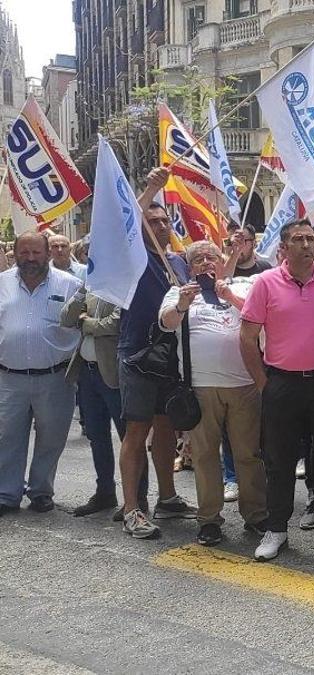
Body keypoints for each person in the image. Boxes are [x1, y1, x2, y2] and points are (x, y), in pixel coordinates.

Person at [240, 219, 314, 561]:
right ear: (284, 246)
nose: (307, 245)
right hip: (282, 383)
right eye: (299, 239)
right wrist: (263, 382)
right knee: (279, 461)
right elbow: (247, 337)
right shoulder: (266, 282)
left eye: (311, 239)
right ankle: (276, 530)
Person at [159, 241, 268, 546]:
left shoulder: (244, 285)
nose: (206, 263)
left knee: (249, 454)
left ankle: (256, 515)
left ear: (222, 263)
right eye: (198, 260)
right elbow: (167, 323)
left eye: (211, 258)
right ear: (189, 266)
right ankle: (209, 519)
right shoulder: (178, 291)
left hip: (244, 384)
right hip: (201, 388)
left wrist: (229, 295)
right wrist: (181, 304)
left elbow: (258, 317)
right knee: (206, 456)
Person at [117, 171, 197, 538]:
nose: (162, 225)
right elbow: (128, 223)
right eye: (154, 220)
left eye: (165, 220)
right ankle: (132, 508)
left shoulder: (178, 262)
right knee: (137, 431)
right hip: (138, 356)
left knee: (166, 428)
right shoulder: (132, 257)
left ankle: (168, 497)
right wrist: (150, 189)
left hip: (170, 359)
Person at [0, 232, 83, 515]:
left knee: (52, 437)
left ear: (48, 254)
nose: (30, 258)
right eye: (24, 252)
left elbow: (82, 327)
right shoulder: (1, 284)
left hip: (55, 377)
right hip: (8, 378)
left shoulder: (71, 285)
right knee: (7, 437)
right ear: (15, 253)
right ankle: (6, 494)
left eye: (36, 252)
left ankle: (41, 491)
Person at [63, 284, 138, 517]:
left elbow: (116, 323)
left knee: (130, 439)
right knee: (97, 437)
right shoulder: (91, 290)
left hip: (114, 374)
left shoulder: (124, 288)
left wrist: (85, 323)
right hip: (87, 373)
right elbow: (66, 318)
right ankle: (105, 492)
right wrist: (81, 293)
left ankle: (136, 499)